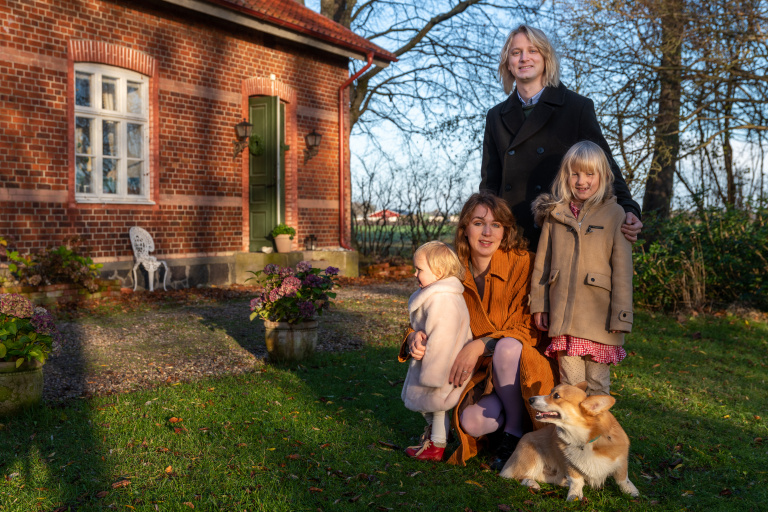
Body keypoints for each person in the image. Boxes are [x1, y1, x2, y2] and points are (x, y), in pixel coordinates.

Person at [399, 192, 557, 470]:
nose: (487, 232)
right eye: (478, 222)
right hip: (480, 373)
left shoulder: (523, 263)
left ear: (505, 231)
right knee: (472, 423)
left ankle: (515, 432)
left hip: (520, 365)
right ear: (464, 229)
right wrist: (414, 336)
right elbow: (426, 311)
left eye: (496, 225)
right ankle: (503, 428)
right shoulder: (451, 269)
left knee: (507, 346)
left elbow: (528, 327)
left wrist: (481, 344)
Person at [479, 24, 642, 249]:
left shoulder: (577, 107)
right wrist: (485, 225)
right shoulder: (495, 116)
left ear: (546, 58)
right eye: (516, 53)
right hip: (510, 233)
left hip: (558, 231)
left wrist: (628, 207)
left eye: (533, 51)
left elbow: (605, 165)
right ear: (508, 63)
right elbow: (489, 183)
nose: (524, 58)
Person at [530, 141, 633, 396]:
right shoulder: (555, 215)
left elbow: (622, 272)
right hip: (564, 318)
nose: (581, 180)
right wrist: (540, 305)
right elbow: (542, 265)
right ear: (565, 176)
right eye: (574, 173)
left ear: (604, 176)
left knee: (598, 387)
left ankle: (599, 436)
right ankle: (573, 437)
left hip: (599, 319)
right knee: (570, 387)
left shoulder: (615, 214)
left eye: (589, 173)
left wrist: (621, 315)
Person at [400, 241, 473, 461]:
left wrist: (433, 375)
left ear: (439, 272)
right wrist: (415, 336)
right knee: (430, 407)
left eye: (420, 269)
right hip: (434, 362)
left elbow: (442, 339)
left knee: (437, 406)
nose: (415, 273)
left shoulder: (443, 299)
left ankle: (436, 446)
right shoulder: (436, 295)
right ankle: (437, 435)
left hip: (442, 366)